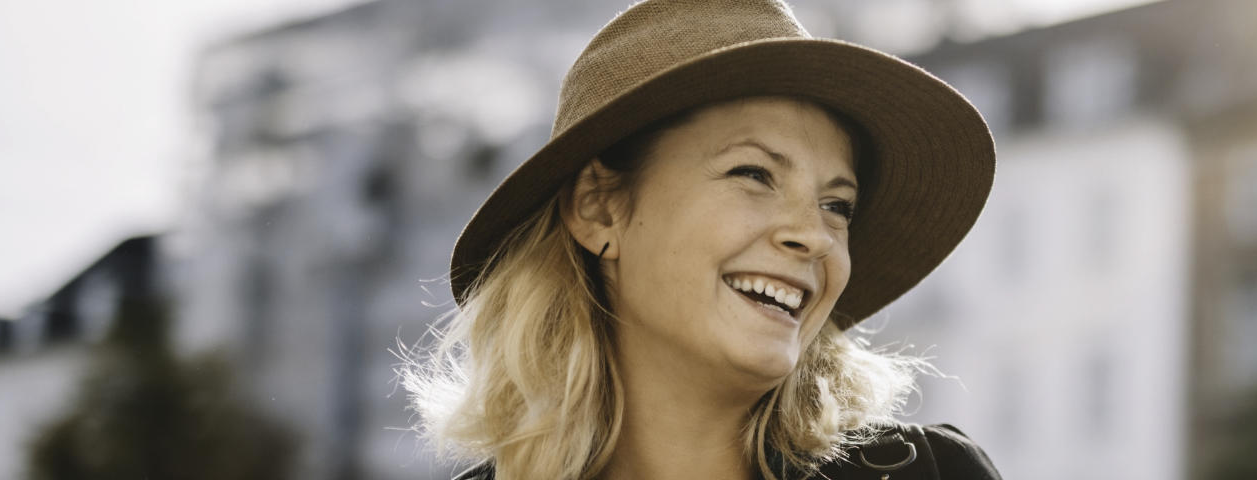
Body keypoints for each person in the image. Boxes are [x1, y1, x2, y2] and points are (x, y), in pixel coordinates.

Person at [398, 0, 999, 479]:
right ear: (598, 208)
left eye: (838, 206)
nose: (814, 235)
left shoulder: (932, 475)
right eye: (754, 174)